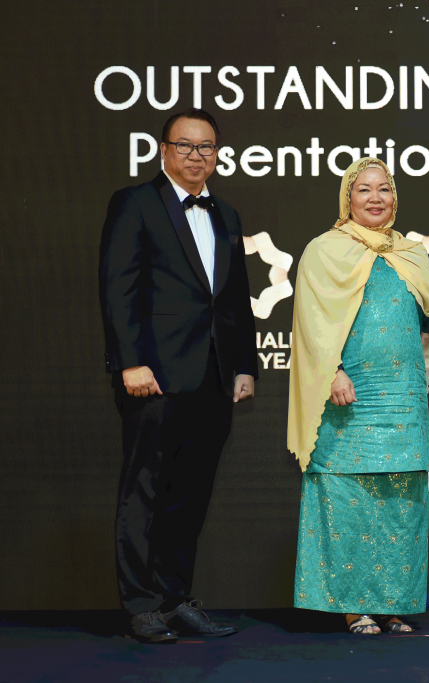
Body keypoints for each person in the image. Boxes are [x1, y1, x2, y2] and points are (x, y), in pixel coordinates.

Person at [98, 108, 258, 644]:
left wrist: (243, 365)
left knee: (189, 495)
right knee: (144, 489)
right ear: (163, 150)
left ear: (217, 154)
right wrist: (130, 361)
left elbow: (234, 298)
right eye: (185, 145)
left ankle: (173, 600)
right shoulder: (135, 203)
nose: (196, 155)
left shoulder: (226, 214)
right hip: (155, 375)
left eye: (206, 147)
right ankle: (141, 605)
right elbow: (118, 285)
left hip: (214, 377)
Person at [288, 158, 429, 635]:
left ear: (394, 197)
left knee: (399, 500)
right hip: (349, 395)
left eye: (383, 189)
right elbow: (311, 322)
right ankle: (353, 607)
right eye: (363, 189)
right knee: (348, 500)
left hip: (403, 398)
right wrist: (332, 371)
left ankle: (391, 603)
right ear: (347, 197)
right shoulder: (324, 251)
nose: (374, 197)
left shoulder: (410, 252)